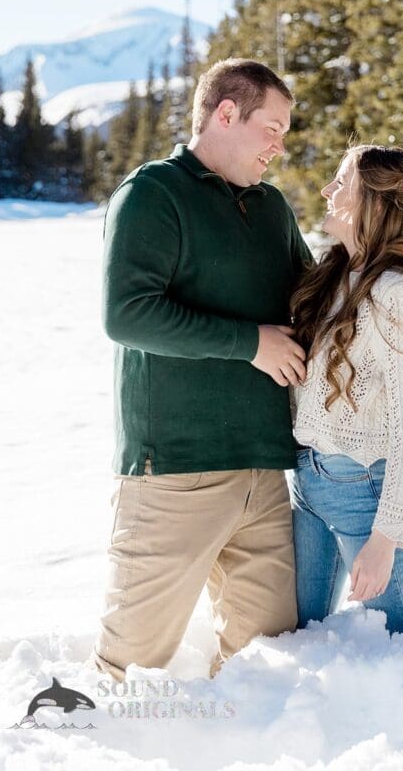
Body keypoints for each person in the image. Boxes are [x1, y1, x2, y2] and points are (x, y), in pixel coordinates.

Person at [90, 58, 312, 681]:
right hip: (174, 475)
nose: (280, 145)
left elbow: (312, 297)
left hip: (262, 473)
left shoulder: (270, 208)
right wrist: (250, 344)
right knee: (129, 671)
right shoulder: (152, 194)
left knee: (270, 665)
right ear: (224, 113)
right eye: (272, 127)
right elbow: (127, 314)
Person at [289, 144, 403, 634]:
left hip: (365, 492)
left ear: (373, 202)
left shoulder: (395, 292)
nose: (327, 191)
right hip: (308, 484)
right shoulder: (336, 273)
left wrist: (387, 537)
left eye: (341, 183)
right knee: (300, 632)